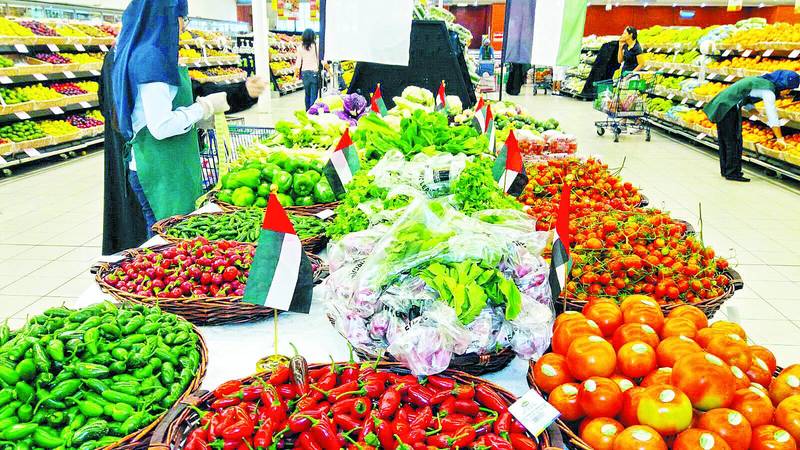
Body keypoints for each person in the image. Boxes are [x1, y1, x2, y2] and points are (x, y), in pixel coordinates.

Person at [105, 0, 266, 249]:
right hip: (160, 170)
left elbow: (186, 95)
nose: (183, 28)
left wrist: (240, 93)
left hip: (166, 164)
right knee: (168, 242)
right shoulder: (151, 59)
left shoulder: (143, 54)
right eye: (184, 19)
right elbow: (161, 126)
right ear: (168, 17)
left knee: (174, 238)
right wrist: (203, 108)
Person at [703, 70, 800, 182]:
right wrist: (780, 138)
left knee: (725, 140)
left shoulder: (761, 81)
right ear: (782, 85)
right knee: (734, 141)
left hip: (723, 104)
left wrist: (759, 116)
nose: (788, 93)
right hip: (728, 107)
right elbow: (772, 115)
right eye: (788, 89)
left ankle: (726, 170)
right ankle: (733, 173)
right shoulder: (768, 91)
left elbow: (746, 100)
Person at [294, 28, 320, 111]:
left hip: (304, 73)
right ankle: (312, 112)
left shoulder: (300, 47)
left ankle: (307, 111)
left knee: (307, 94)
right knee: (314, 95)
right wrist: (330, 72)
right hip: (314, 72)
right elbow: (322, 60)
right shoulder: (316, 46)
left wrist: (295, 75)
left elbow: (298, 62)